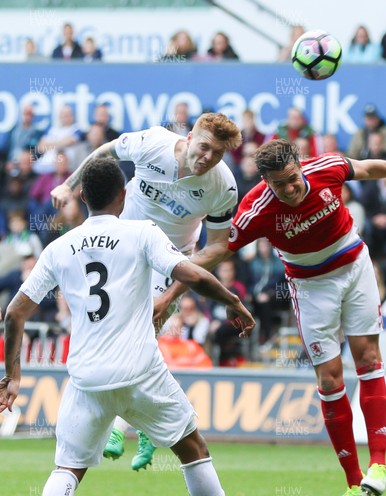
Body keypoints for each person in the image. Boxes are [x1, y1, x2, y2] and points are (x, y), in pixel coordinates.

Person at [0, 158, 267, 496]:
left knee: (67, 468)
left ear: (82, 196)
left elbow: (15, 313)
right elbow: (189, 272)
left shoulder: (57, 247)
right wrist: (232, 302)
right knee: (193, 449)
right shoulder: (142, 233)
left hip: (87, 379)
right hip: (141, 372)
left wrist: (13, 375)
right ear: (124, 196)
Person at [221, 139, 386, 496]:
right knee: (329, 379)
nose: (288, 190)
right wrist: (173, 283)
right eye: (277, 186)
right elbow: (219, 250)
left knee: (369, 359)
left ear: (299, 165)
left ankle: (379, 464)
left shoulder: (327, 168)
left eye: (291, 179)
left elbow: (367, 168)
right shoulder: (257, 210)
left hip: (354, 266)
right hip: (309, 286)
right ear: (265, 182)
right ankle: (354, 487)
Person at [50, 112, 242, 470]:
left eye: (217, 154)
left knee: (140, 340)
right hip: (121, 248)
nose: (207, 158)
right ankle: (145, 429)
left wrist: (172, 292)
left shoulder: (223, 187)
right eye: (204, 147)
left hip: (170, 261)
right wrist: (68, 184)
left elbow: (217, 246)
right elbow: (105, 152)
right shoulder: (153, 143)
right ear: (190, 137)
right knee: (114, 334)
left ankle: (120, 428)